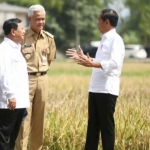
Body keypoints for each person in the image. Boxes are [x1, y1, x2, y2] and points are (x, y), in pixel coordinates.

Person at [66, 8, 125, 150]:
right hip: (95, 88)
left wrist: (92, 63)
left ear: (107, 21)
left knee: (106, 128)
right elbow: (100, 61)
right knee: (92, 126)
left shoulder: (116, 40)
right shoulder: (104, 39)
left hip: (107, 89)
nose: (97, 23)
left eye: (99, 20)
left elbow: (114, 64)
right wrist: (86, 59)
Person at [15, 4, 56, 150]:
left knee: (40, 120)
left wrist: (41, 73)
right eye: (38, 19)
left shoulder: (49, 38)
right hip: (25, 80)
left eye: (43, 19)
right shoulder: (21, 36)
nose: (41, 22)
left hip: (43, 79)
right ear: (29, 19)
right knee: (23, 120)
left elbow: (49, 59)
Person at [0, 18, 30, 150]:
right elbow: (3, 73)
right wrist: (10, 94)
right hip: (9, 103)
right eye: (22, 29)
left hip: (19, 102)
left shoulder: (16, 49)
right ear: (13, 31)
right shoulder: (4, 49)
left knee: (12, 138)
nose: (24, 31)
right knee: (4, 138)